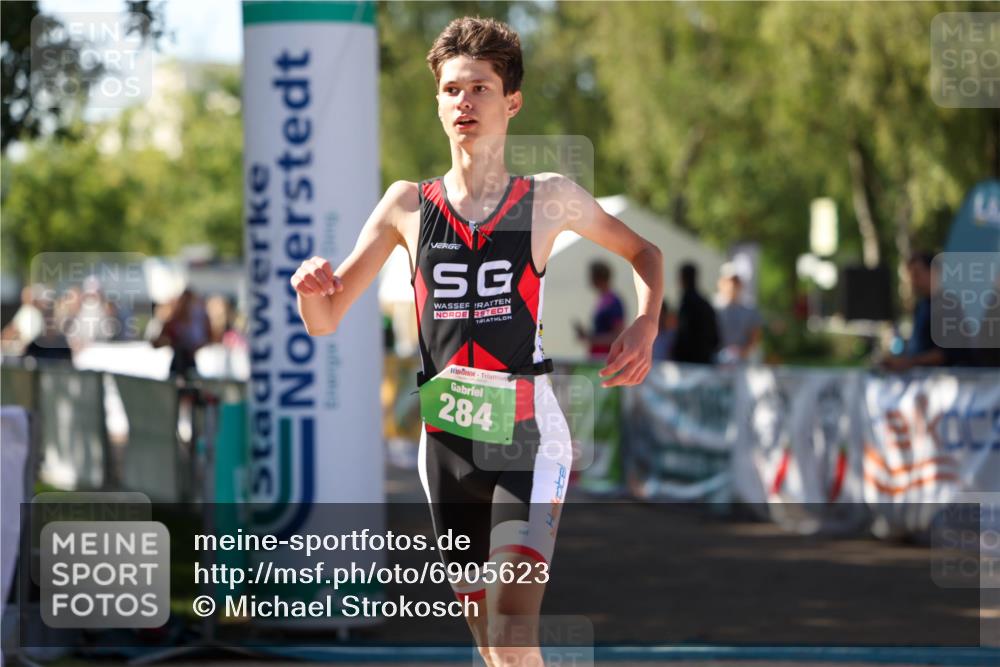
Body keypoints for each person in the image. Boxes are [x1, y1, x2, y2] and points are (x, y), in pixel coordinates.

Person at [291, 17, 663, 667]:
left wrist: (647, 318)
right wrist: (306, 286)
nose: (465, 102)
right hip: (447, 445)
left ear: (511, 102)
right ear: (437, 100)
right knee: (489, 641)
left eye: (481, 89)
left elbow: (644, 251)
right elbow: (325, 319)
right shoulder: (407, 205)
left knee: (515, 630)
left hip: (525, 435)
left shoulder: (549, 198)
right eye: (453, 90)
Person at [881, 251, 961, 371]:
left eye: (917, 274)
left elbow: (947, 353)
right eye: (910, 276)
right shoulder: (921, 305)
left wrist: (910, 362)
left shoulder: (949, 305)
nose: (913, 281)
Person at [573, 260, 625, 358]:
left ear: (598, 278)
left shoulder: (613, 302)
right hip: (597, 356)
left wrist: (591, 339)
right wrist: (588, 336)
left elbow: (618, 335)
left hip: (607, 357)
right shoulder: (603, 300)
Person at [670, 261, 719, 364]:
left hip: (690, 360)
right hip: (705, 358)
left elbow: (684, 331)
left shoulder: (687, 302)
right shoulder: (705, 302)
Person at [714, 263, 762, 364]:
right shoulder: (714, 308)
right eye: (729, 281)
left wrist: (741, 353)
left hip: (742, 363)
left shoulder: (750, 309)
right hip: (716, 362)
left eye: (736, 281)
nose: (732, 285)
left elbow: (755, 336)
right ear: (721, 283)